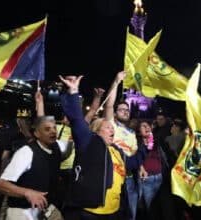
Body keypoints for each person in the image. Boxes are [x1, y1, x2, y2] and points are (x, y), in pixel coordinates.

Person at [59, 74, 143, 220]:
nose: (112, 131)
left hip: (114, 212)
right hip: (91, 213)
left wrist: (146, 147)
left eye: (112, 128)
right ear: (97, 130)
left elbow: (132, 162)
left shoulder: (116, 150)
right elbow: (77, 120)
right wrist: (73, 92)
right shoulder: (89, 142)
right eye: (108, 128)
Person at [0, 116, 65, 220]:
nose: (53, 131)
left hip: (45, 207)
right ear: (37, 134)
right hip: (22, 211)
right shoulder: (26, 152)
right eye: (47, 129)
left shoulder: (56, 148)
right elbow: (0, 185)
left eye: (54, 128)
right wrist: (28, 193)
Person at [104, 71, 139, 220]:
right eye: (121, 109)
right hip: (110, 175)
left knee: (129, 212)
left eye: (127, 110)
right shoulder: (111, 124)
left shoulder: (132, 133)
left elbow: (134, 154)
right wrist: (116, 81)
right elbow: (109, 105)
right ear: (116, 113)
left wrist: (141, 168)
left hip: (128, 178)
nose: (125, 111)